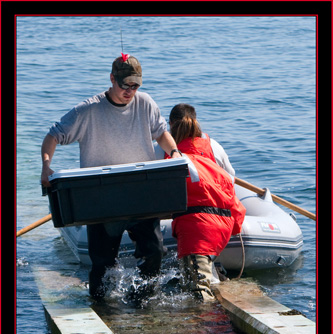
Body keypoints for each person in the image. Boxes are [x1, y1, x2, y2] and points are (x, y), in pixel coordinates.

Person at [41, 53, 181, 300]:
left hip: (140, 191)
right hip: (102, 195)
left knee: (154, 251)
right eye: (124, 84)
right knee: (103, 262)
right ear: (112, 79)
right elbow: (53, 136)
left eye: (135, 85)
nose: (130, 91)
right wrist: (46, 166)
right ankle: (101, 305)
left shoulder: (145, 103)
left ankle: (144, 299)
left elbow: (160, 132)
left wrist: (175, 151)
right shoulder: (88, 110)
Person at [167, 104, 246, 301]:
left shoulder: (167, 151)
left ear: (170, 126)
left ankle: (207, 328)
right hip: (223, 224)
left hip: (197, 227)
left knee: (198, 292)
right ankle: (216, 277)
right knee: (203, 273)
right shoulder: (213, 147)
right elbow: (231, 180)